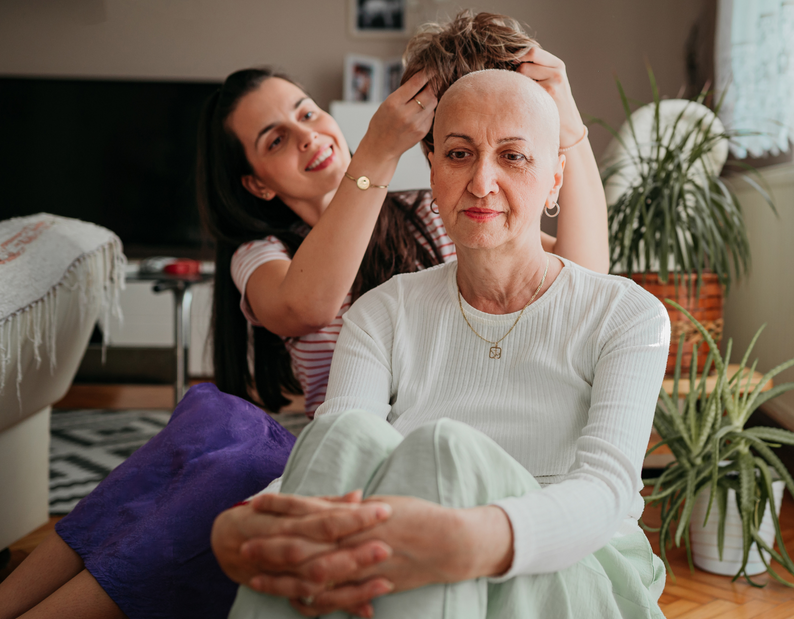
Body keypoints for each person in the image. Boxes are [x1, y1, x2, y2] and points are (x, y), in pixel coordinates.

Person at [0, 12, 610, 619]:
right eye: (275, 139)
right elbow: (307, 304)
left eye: (307, 112)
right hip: (335, 451)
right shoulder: (262, 255)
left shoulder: (436, 211)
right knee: (215, 426)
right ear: (258, 184)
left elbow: (581, 277)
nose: (306, 134)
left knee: (227, 450)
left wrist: (570, 129)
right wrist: (376, 147)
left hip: (422, 453)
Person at [216, 68, 669, 618]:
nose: (481, 182)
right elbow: (338, 449)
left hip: (580, 566)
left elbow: (606, 493)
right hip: (404, 547)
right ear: (431, 171)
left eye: (514, 156)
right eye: (458, 154)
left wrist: (464, 539)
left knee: (442, 451)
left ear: (555, 178)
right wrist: (243, 525)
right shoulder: (380, 312)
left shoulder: (628, 315)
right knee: (349, 437)